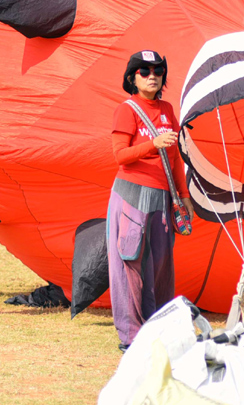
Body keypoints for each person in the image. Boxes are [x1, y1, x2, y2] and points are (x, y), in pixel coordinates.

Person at [107, 49, 195, 352]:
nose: (153, 76)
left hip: (162, 196)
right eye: (145, 71)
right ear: (133, 77)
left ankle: (159, 330)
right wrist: (151, 144)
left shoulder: (168, 109)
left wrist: (183, 197)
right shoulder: (127, 109)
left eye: (158, 71)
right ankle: (131, 336)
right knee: (130, 264)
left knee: (161, 265)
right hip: (131, 194)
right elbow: (120, 155)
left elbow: (174, 158)